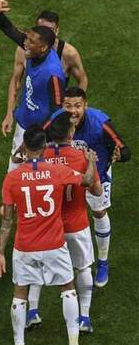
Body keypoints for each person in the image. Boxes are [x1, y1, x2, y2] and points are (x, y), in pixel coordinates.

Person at [0, 126, 96, 345]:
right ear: (44, 146)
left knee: (20, 293)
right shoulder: (57, 171)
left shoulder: (12, 178)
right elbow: (87, 180)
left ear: (25, 146)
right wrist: (91, 161)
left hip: (25, 246)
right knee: (68, 288)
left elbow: (7, 220)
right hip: (54, 244)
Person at [25, 112, 102, 332]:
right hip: (77, 224)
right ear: (71, 132)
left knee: (37, 266)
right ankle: (84, 317)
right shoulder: (82, 157)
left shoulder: (41, 156)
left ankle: (32, 312)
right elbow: (97, 191)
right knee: (83, 268)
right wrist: (91, 163)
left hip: (47, 225)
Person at [49, 87, 131, 287]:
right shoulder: (57, 120)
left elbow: (124, 149)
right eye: (68, 106)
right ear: (62, 106)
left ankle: (102, 261)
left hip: (97, 176)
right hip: (68, 177)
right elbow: (39, 136)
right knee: (63, 214)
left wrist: (120, 155)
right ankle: (62, 255)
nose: (73, 111)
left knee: (99, 212)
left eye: (77, 106)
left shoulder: (100, 123)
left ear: (85, 105)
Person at [0, 0, 66, 172]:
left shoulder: (53, 74)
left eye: (31, 41)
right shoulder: (33, 49)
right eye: (27, 39)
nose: (25, 43)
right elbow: (10, 30)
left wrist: (33, 140)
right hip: (24, 123)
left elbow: (57, 113)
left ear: (43, 47)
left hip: (41, 136)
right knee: (14, 173)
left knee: (36, 176)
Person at [3, 10, 88, 138]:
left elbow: (82, 79)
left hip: (49, 124)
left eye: (50, 30)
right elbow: (16, 80)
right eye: (42, 29)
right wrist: (9, 113)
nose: (46, 33)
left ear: (57, 31)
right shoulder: (26, 49)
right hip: (26, 116)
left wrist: (75, 106)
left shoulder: (68, 54)